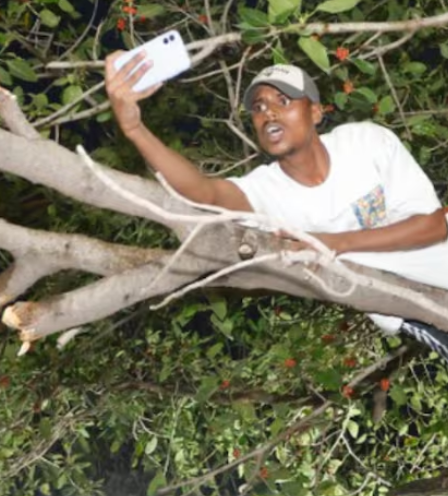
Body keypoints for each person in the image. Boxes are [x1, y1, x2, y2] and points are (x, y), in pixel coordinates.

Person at [104, 50, 448, 364]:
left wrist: (335, 243)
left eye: (282, 100)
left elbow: (438, 224)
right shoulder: (264, 191)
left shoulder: (365, 142)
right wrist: (134, 128)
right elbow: (203, 193)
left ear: (315, 112)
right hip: (421, 311)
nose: (267, 111)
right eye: (257, 107)